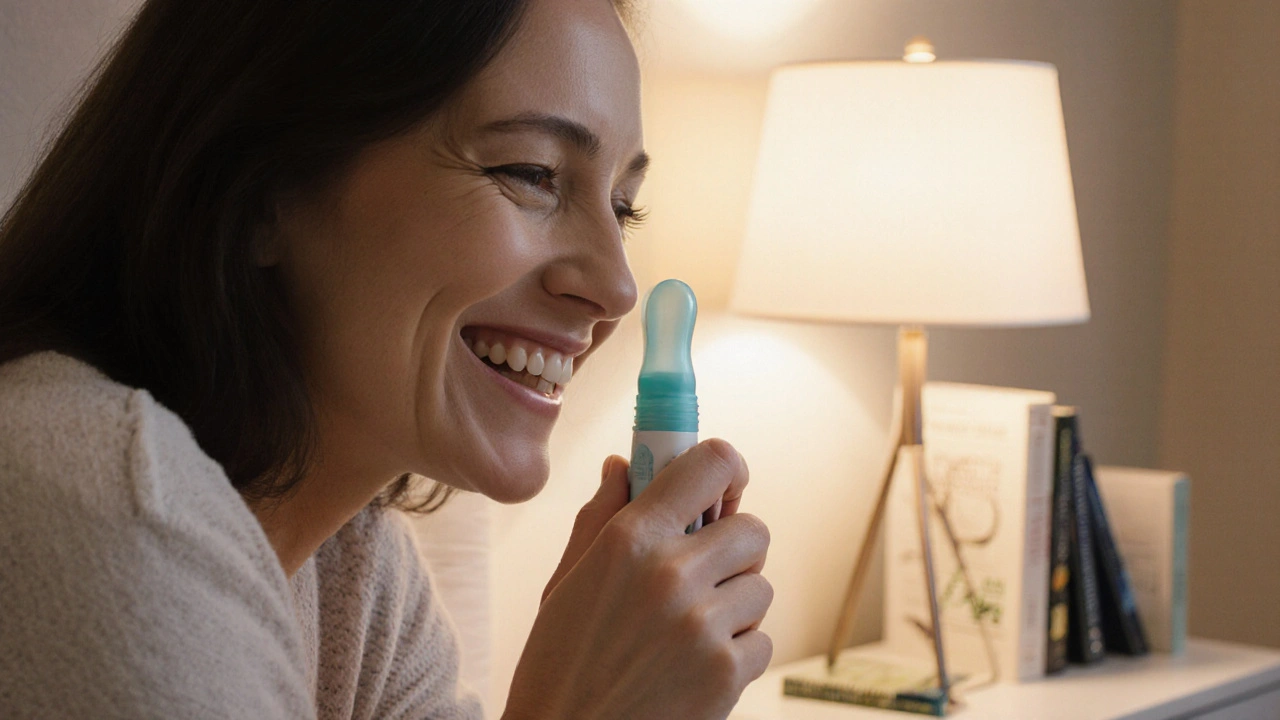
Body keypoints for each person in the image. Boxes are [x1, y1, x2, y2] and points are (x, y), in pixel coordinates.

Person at [0, 0, 773, 718]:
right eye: (530, 174)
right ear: (262, 186)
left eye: (621, 208)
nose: (615, 286)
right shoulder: (114, 510)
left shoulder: (352, 574)